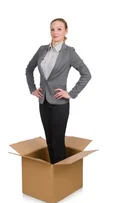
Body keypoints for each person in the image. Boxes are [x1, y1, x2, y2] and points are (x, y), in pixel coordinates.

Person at [25, 18, 92, 164]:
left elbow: (86, 74)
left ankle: (61, 176)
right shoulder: (42, 49)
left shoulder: (69, 53)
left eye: (59, 29)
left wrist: (71, 93)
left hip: (60, 103)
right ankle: (51, 173)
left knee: (57, 140)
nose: (55, 32)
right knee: (49, 139)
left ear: (66, 31)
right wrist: (32, 89)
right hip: (43, 101)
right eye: (52, 29)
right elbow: (29, 69)